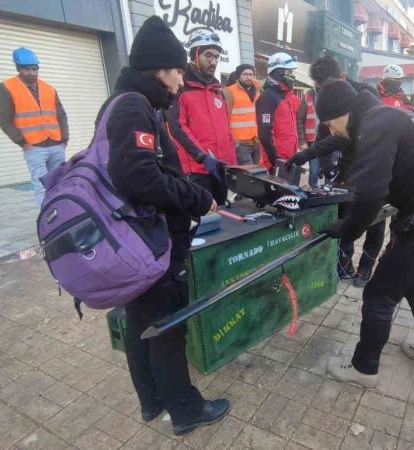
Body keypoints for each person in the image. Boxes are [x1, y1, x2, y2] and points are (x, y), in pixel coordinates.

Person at [100, 16, 229, 435]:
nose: (181, 77)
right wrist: (194, 196)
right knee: (167, 326)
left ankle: (152, 401)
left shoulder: (126, 103)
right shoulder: (136, 106)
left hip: (136, 237)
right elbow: (139, 176)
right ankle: (187, 411)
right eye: (177, 69)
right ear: (159, 69)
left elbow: (146, 169)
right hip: (150, 240)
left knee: (141, 323)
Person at [314, 80, 414, 387]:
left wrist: (347, 230)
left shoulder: (375, 123)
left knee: (379, 294)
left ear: (343, 113)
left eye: (330, 124)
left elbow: (370, 193)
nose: (332, 131)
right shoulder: (384, 115)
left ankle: (363, 368)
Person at [287, 55, 384, 287]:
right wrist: (326, 163)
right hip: (347, 162)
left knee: (376, 214)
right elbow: (325, 134)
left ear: (340, 77)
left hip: (374, 161)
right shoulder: (331, 100)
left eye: (324, 86)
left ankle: (366, 265)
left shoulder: (365, 97)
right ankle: (344, 261)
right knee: (344, 209)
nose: (321, 91)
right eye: (318, 87)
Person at [168, 30, 235, 206]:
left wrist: (232, 164)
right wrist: (202, 156)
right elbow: (177, 127)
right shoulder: (182, 87)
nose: (213, 62)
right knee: (203, 219)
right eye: (208, 56)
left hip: (220, 167)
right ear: (194, 54)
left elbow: (226, 129)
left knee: (222, 215)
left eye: (216, 57)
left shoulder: (217, 90)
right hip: (197, 170)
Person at [0, 48, 69, 206]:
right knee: (41, 186)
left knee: (61, 184)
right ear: (18, 68)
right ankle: (48, 220)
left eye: (34, 69)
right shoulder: (6, 88)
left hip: (56, 144)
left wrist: (64, 140)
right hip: (34, 147)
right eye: (26, 69)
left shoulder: (48, 88)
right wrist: (22, 142)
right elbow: (4, 120)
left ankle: (64, 214)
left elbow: (61, 115)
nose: (31, 73)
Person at [255, 52, 301, 170]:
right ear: (278, 72)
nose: (292, 75)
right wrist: (275, 160)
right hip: (276, 161)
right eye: (289, 72)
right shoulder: (268, 97)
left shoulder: (285, 96)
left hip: (288, 158)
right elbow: (264, 133)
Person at [224, 64, 261, 165]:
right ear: (238, 76)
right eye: (245, 74)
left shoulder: (257, 91)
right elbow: (224, 118)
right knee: (248, 176)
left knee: (259, 174)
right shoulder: (230, 91)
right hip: (241, 143)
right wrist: (233, 140)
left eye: (251, 74)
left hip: (256, 141)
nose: (248, 77)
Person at [297, 85, 321, 187]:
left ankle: (330, 199)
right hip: (313, 142)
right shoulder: (307, 97)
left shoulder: (332, 94)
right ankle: (312, 193)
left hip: (330, 140)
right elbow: (299, 121)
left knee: (330, 171)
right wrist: (302, 142)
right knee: (314, 171)